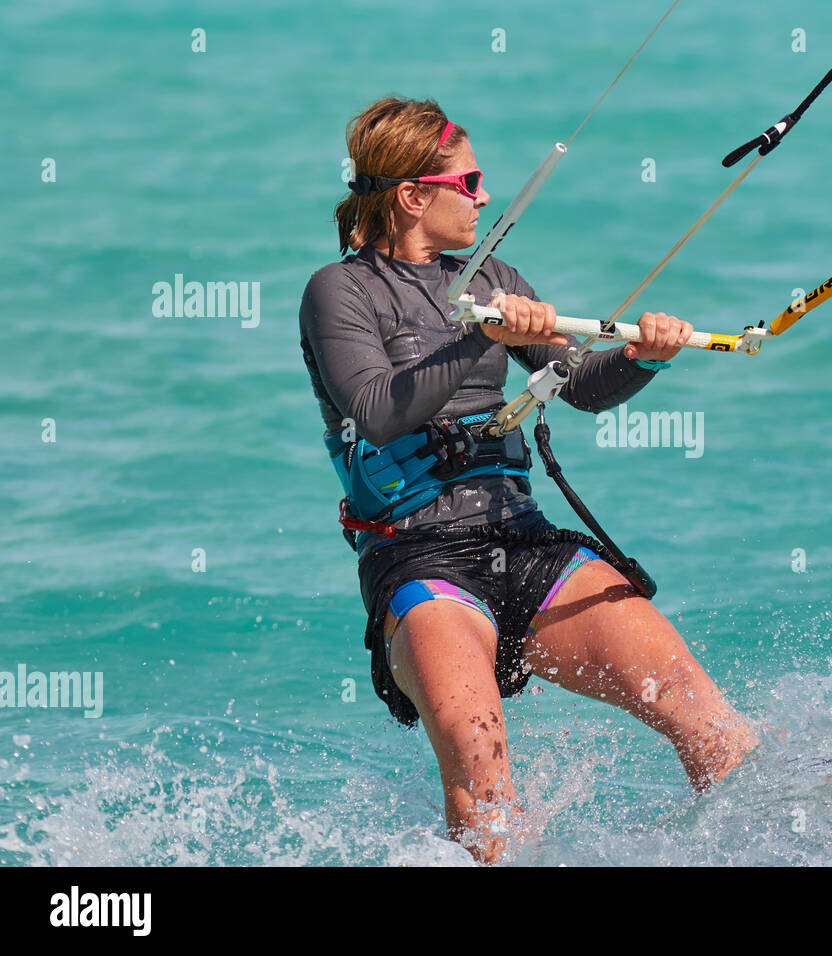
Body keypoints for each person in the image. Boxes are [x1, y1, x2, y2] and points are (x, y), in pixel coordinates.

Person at [299, 97, 757, 863]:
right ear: (412, 196)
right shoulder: (339, 292)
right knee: (483, 779)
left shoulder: (492, 276)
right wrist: (477, 335)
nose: (483, 197)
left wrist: (643, 359)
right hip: (421, 562)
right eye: (468, 182)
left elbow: (580, 387)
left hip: (524, 539)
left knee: (706, 717)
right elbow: (375, 413)